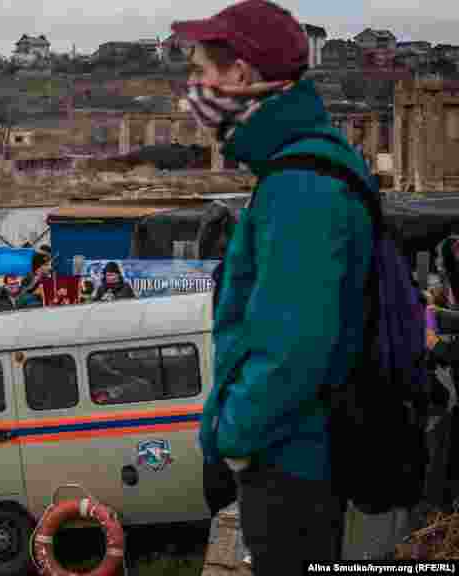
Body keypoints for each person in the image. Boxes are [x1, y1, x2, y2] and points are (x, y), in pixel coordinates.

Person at [175, 0, 372, 570]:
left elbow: (294, 344)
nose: (193, 88)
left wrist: (236, 439)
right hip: (296, 453)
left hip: (294, 461)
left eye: (201, 71)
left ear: (239, 75)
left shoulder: (300, 185)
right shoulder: (297, 167)